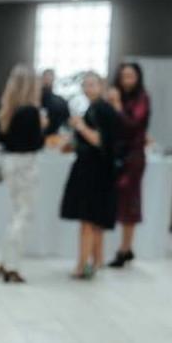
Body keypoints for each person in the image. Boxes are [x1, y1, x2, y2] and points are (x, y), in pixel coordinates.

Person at [60, 72, 121, 279]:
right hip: (95, 170)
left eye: (92, 84)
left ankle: (83, 265)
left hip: (94, 172)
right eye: (85, 85)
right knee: (95, 221)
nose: (88, 88)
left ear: (101, 86)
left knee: (88, 219)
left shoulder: (101, 110)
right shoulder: (97, 109)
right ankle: (95, 261)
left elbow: (100, 141)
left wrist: (80, 126)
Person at [0, 64, 44, 283]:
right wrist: (44, 127)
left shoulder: (5, 110)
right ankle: (12, 265)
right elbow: (36, 143)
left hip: (9, 162)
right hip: (26, 164)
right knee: (24, 215)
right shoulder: (30, 111)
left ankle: (1, 261)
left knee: (15, 214)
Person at [106, 62, 151, 267]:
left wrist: (117, 107)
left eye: (130, 76)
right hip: (116, 154)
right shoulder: (116, 97)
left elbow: (133, 125)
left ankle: (125, 249)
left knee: (130, 202)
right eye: (124, 76)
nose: (127, 80)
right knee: (118, 202)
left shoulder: (142, 99)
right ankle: (125, 248)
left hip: (133, 157)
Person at [40, 68, 71, 139]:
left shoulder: (61, 101)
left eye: (49, 78)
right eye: (46, 78)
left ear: (53, 79)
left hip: (54, 137)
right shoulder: (33, 99)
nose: (47, 80)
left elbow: (67, 122)